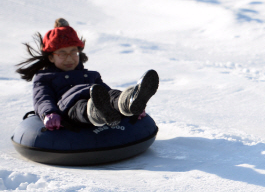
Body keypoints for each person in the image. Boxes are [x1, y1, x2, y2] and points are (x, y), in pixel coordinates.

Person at [16, 18, 159, 131]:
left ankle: (129, 102)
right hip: (70, 105)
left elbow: (106, 91)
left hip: (97, 95)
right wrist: (49, 113)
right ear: (51, 57)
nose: (69, 58)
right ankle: (97, 113)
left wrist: (131, 109)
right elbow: (42, 98)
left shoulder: (91, 75)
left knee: (113, 95)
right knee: (81, 107)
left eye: (73, 52)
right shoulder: (45, 78)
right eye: (62, 53)